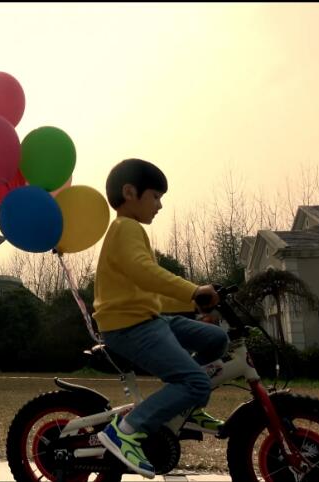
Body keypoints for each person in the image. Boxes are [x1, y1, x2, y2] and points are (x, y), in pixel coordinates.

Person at [93, 159, 229, 479]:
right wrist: (193, 290)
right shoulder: (126, 227)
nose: (160, 205)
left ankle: (186, 406)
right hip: (129, 327)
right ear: (130, 192)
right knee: (195, 382)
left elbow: (148, 291)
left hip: (148, 319)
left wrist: (194, 301)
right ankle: (126, 430)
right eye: (155, 196)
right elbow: (146, 272)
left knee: (216, 339)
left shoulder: (129, 230)